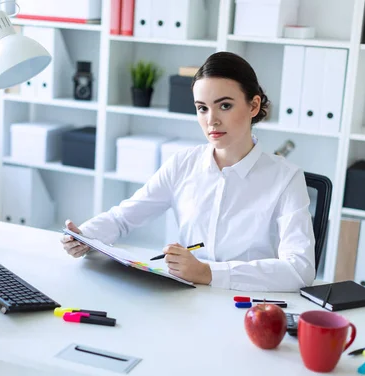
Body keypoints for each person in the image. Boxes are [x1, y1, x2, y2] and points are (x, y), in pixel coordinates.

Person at [60, 52, 315, 292]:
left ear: (254, 105)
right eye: (202, 108)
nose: (211, 120)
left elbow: (299, 269)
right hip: (187, 298)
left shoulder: (286, 178)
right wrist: (85, 236)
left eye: (224, 106)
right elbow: (123, 218)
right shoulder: (183, 164)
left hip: (250, 305)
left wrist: (208, 273)